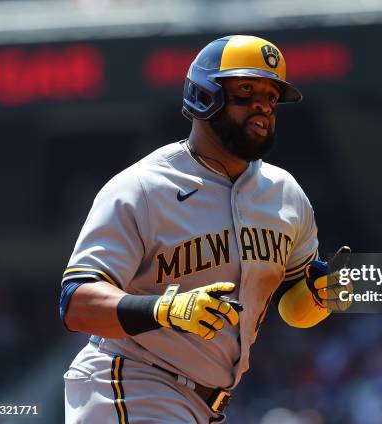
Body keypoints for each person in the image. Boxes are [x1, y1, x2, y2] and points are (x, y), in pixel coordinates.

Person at [60, 35, 350, 424]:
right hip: (129, 382)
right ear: (204, 96)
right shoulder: (144, 187)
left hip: (207, 404)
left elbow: (293, 307)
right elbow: (76, 303)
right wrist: (164, 309)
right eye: (246, 90)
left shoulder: (286, 196)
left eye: (271, 96)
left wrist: (319, 296)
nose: (262, 106)